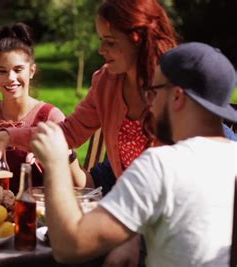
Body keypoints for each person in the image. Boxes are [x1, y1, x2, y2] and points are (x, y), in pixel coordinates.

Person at [0, 0, 177, 264]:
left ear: (137, 38)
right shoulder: (107, 82)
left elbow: (175, 171)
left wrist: (132, 235)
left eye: (110, 42)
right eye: (100, 40)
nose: (101, 49)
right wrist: (11, 136)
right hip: (130, 214)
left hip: (171, 217)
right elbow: (69, 131)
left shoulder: (172, 86)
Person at [31, 42, 237, 266]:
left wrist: (56, 162)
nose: (149, 104)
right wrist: (132, 235)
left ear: (177, 97)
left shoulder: (161, 165)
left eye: (153, 93)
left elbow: (70, 247)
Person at [0, 22, 87, 193]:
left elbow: (80, 185)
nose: (10, 78)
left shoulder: (50, 118)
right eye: (2, 71)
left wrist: (61, 155)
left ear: (31, 71)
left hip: (37, 215)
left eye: (18, 70)